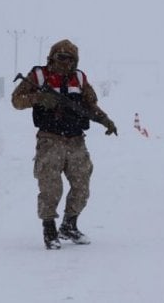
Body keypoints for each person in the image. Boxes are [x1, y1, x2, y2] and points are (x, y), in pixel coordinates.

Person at [11, 39, 117, 250]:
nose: (65, 63)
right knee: (50, 187)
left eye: (70, 59)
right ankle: (49, 230)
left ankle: (69, 225)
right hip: (50, 140)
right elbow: (17, 100)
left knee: (82, 185)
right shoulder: (39, 76)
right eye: (61, 58)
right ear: (52, 57)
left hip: (76, 140)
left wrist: (105, 120)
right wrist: (39, 98)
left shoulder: (79, 78)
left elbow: (90, 105)